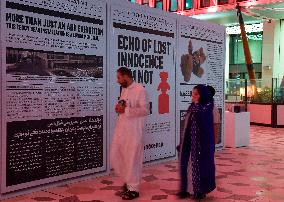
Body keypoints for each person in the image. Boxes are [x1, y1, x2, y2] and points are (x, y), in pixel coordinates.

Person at [110, 67, 149, 200]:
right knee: (119, 156)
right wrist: (119, 108)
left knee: (133, 159)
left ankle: (134, 189)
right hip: (122, 130)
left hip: (134, 132)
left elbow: (145, 110)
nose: (117, 80)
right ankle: (128, 181)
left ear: (126, 76)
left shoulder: (140, 90)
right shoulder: (125, 89)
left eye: (119, 78)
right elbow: (124, 106)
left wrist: (126, 110)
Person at [177, 84, 216, 200]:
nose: (193, 96)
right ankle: (186, 189)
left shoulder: (206, 109)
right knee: (187, 166)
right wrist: (183, 142)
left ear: (202, 95)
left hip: (201, 146)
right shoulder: (192, 107)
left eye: (196, 94)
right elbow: (187, 127)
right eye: (192, 93)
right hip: (189, 145)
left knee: (201, 167)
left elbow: (207, 128)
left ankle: (200, 190)